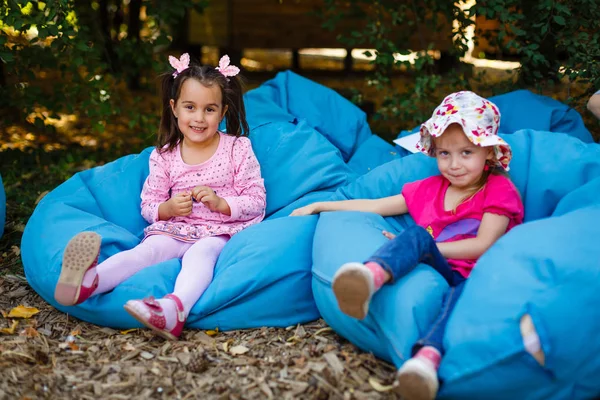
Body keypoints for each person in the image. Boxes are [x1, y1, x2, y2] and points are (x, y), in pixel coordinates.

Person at [291, 91, 525, 400]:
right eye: (444, 153)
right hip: (438, 265)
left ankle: (425, 363)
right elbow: (376, 206)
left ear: (488, 153)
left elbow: (484, 245)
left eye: (466, 153)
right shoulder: (429, 188)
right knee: (414, 236)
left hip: (478, 276)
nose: (454, 164)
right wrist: (322, 204)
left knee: (455, 297)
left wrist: (431, 248)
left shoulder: (498, 189)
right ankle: (366, 280)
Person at [54, 53, 266, 340]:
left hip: (218, 232)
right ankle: (88, 281)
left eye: (209, 109)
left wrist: (222, 203)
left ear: (223, 113)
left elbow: (256, 199)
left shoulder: (237, 148)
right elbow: (149, 205)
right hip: (173, 228)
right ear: (174, 108)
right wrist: (166, 208)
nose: (199, 118)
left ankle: (174, 309)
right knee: (144, 253)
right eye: (190, 107)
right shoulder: (164, 155)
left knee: (200, 257)